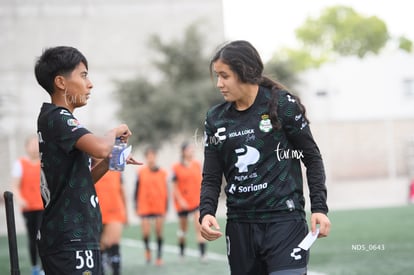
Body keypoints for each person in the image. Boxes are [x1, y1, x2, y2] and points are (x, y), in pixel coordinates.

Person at [199, 40, 331, 275]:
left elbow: (311, 157)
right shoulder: (215, 119)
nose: (219, 84)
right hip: (240, 226)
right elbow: (211, 176)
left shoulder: (282, 105)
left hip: (285, 222)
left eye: (224, 76)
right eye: (217, 76)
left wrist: (319, 207)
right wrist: (206, 212)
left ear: (245, 72)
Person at [34, 46, 140, 275]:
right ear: (61, 82)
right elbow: (102, 147)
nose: (89, 83)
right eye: (83, 75)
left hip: (79, 235)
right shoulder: (57, 118)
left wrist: (114, 156)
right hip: (69, 238)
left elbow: (84, 178)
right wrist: (114, 131)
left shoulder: (61, 120)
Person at [11, 135, 44, 275]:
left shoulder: (45, 163)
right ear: (26, 147)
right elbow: (15, 185)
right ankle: (35, 267)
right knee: (33, 238)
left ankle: (44, 268)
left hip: (44, 207)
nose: (35, 147)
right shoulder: (20, 164)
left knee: (43, 237)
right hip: (29, 208)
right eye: (32, 144)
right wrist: (19, 198)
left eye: (37, 144)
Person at [172, 142, 206, 260]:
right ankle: (181, 250)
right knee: (183, 229)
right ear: (183, 152)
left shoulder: (197, 165)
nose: (191, 152)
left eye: (192, 150)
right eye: (189, 150)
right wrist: (180, 200)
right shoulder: (176, 167)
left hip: (196, 201)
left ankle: (202, 254)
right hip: (183, 204)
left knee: (199, 225)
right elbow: (174, 186)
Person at [134, 147, 168, 266]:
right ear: (146, 158)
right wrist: (136, 206)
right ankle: (147, 251)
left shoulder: (163, 173)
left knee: (158, 232)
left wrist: (166, 207)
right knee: (146, 233)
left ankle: (159, 257)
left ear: (155, 157)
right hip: (144, 206)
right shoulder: (141, 173)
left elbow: (166, 190)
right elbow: (136, 190)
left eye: (152, 156)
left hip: (158, 206)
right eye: (148, 156)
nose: (151, 158)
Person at [95, 169, 127, 275]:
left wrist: (126, 212)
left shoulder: (116, 170)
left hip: (115, 212)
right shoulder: (90, 166)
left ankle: (116, 271)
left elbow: (122, 191)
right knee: (101, 247)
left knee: (114, 244)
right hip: (96, 213)